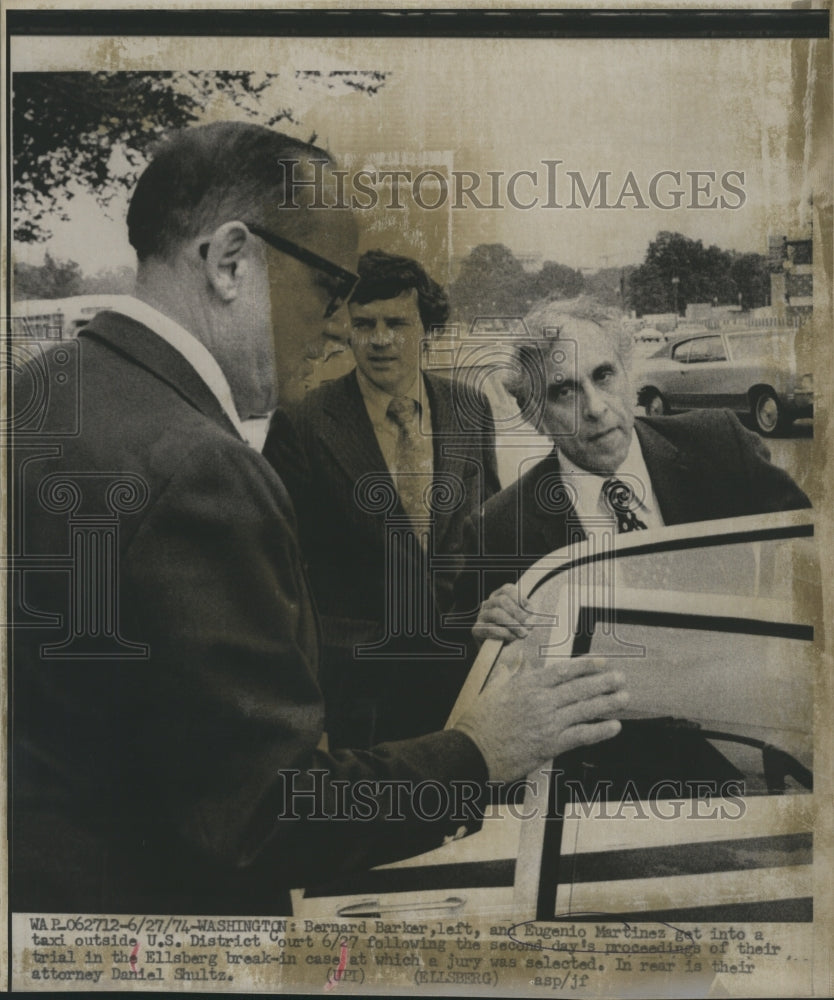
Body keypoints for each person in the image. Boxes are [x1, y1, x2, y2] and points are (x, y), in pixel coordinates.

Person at [10, 123, 628, 916]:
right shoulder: (203, 467)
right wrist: (480, 751)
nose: (341, 327)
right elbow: (268, 815)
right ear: (231, 262)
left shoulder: (50, 389)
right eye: (330, 292)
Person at [466, 298, 811, 643]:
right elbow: (464, 659)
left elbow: (810, 544)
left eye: (603, 375)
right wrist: (486, 634)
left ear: (630, 378)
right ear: (533, 417)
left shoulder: (719, 445)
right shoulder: (498, 529)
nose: (596, 407)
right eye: (564, 391)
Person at [263, 250, 500, 747]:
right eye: (364, 323)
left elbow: (490, 535)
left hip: (463, 686)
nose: (381, 339)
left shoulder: (470, 407)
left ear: (427, 330)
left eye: (398, 322)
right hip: (356, 700)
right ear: (346, 330)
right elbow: (276, 574)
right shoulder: (302, 425)